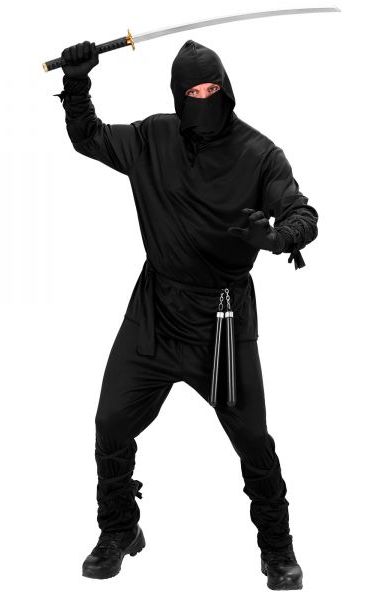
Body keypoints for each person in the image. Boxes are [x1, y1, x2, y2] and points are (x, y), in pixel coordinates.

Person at [54, 38, 319, 591]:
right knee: (110, 423)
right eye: (192, 92)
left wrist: (274, 238)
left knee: (252, 438)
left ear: (227, 89)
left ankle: (277, 548)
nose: (203, 99)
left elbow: (301, 213)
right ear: (177, 96)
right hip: (154, 314)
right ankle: (119, 528)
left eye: (211, 89)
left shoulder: (259, 154)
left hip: (222, 323)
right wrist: (77, 83)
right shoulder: (153, 138)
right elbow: (89, 137)